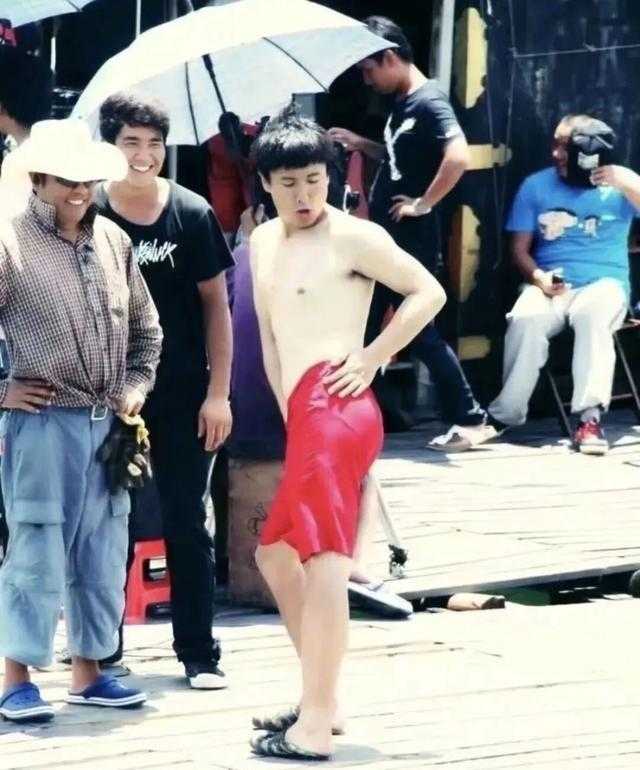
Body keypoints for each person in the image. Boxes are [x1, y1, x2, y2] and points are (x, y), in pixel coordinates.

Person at [247, 107, 445, 761]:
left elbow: (428, 292)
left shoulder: (354, 235)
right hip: (303, 412)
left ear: (331, 176)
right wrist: (289, 415)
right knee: (275, 556)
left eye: (314, 179)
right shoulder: (261, 241)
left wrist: (373, 356)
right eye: (288, 183)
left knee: (324, 562)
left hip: (339, 403)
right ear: (266, 184)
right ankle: (321, 699)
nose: (304, 194)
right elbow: (271, 340)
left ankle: (314, 723)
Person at [0, 118, 162, 723]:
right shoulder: (8, 242)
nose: (78, 191)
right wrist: (3, 390)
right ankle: (15, 678)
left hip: (108, 423)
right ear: (38, 180)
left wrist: (135, 388)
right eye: (66, 180)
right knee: (36, 545)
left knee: (103, 548)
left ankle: (89, 671)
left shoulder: (114, 240)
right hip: (42, 423)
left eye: (87, 181)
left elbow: (147, 330)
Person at [95, 93, 234, 689]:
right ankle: (102, 652)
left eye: (154, 143)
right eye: (131, 142)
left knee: (187, 518)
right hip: (110, 393)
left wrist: (219, 394)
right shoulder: (89, 208)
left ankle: (199, 652)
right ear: (110, 145)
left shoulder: (192, 213)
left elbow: (217, 308)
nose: (144, 154)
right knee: (109, 523)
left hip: (184, 392)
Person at [328, 15, 491, 451]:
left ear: (390, 58)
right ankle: (348, 417)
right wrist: (361, 144)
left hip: (411, 240)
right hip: (387, 238)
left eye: (369, 69)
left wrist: (424, 203)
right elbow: (402, 157)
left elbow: (457, 156)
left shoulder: (429, 101)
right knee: (361, 322)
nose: (367, 80)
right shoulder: (403, 104)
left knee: (416, 330)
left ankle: (471, 418)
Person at [474, 114, 640, 455]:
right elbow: (519, 249)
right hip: (551, 282)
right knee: (526, 317)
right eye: (555, 144)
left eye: (565, 147)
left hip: (604, 283)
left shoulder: (621, 186)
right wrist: (539, 277)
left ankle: (589, 419)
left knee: (592, 316)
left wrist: (627, 183)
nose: (556, 154)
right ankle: (505, 414)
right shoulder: (536, 186)